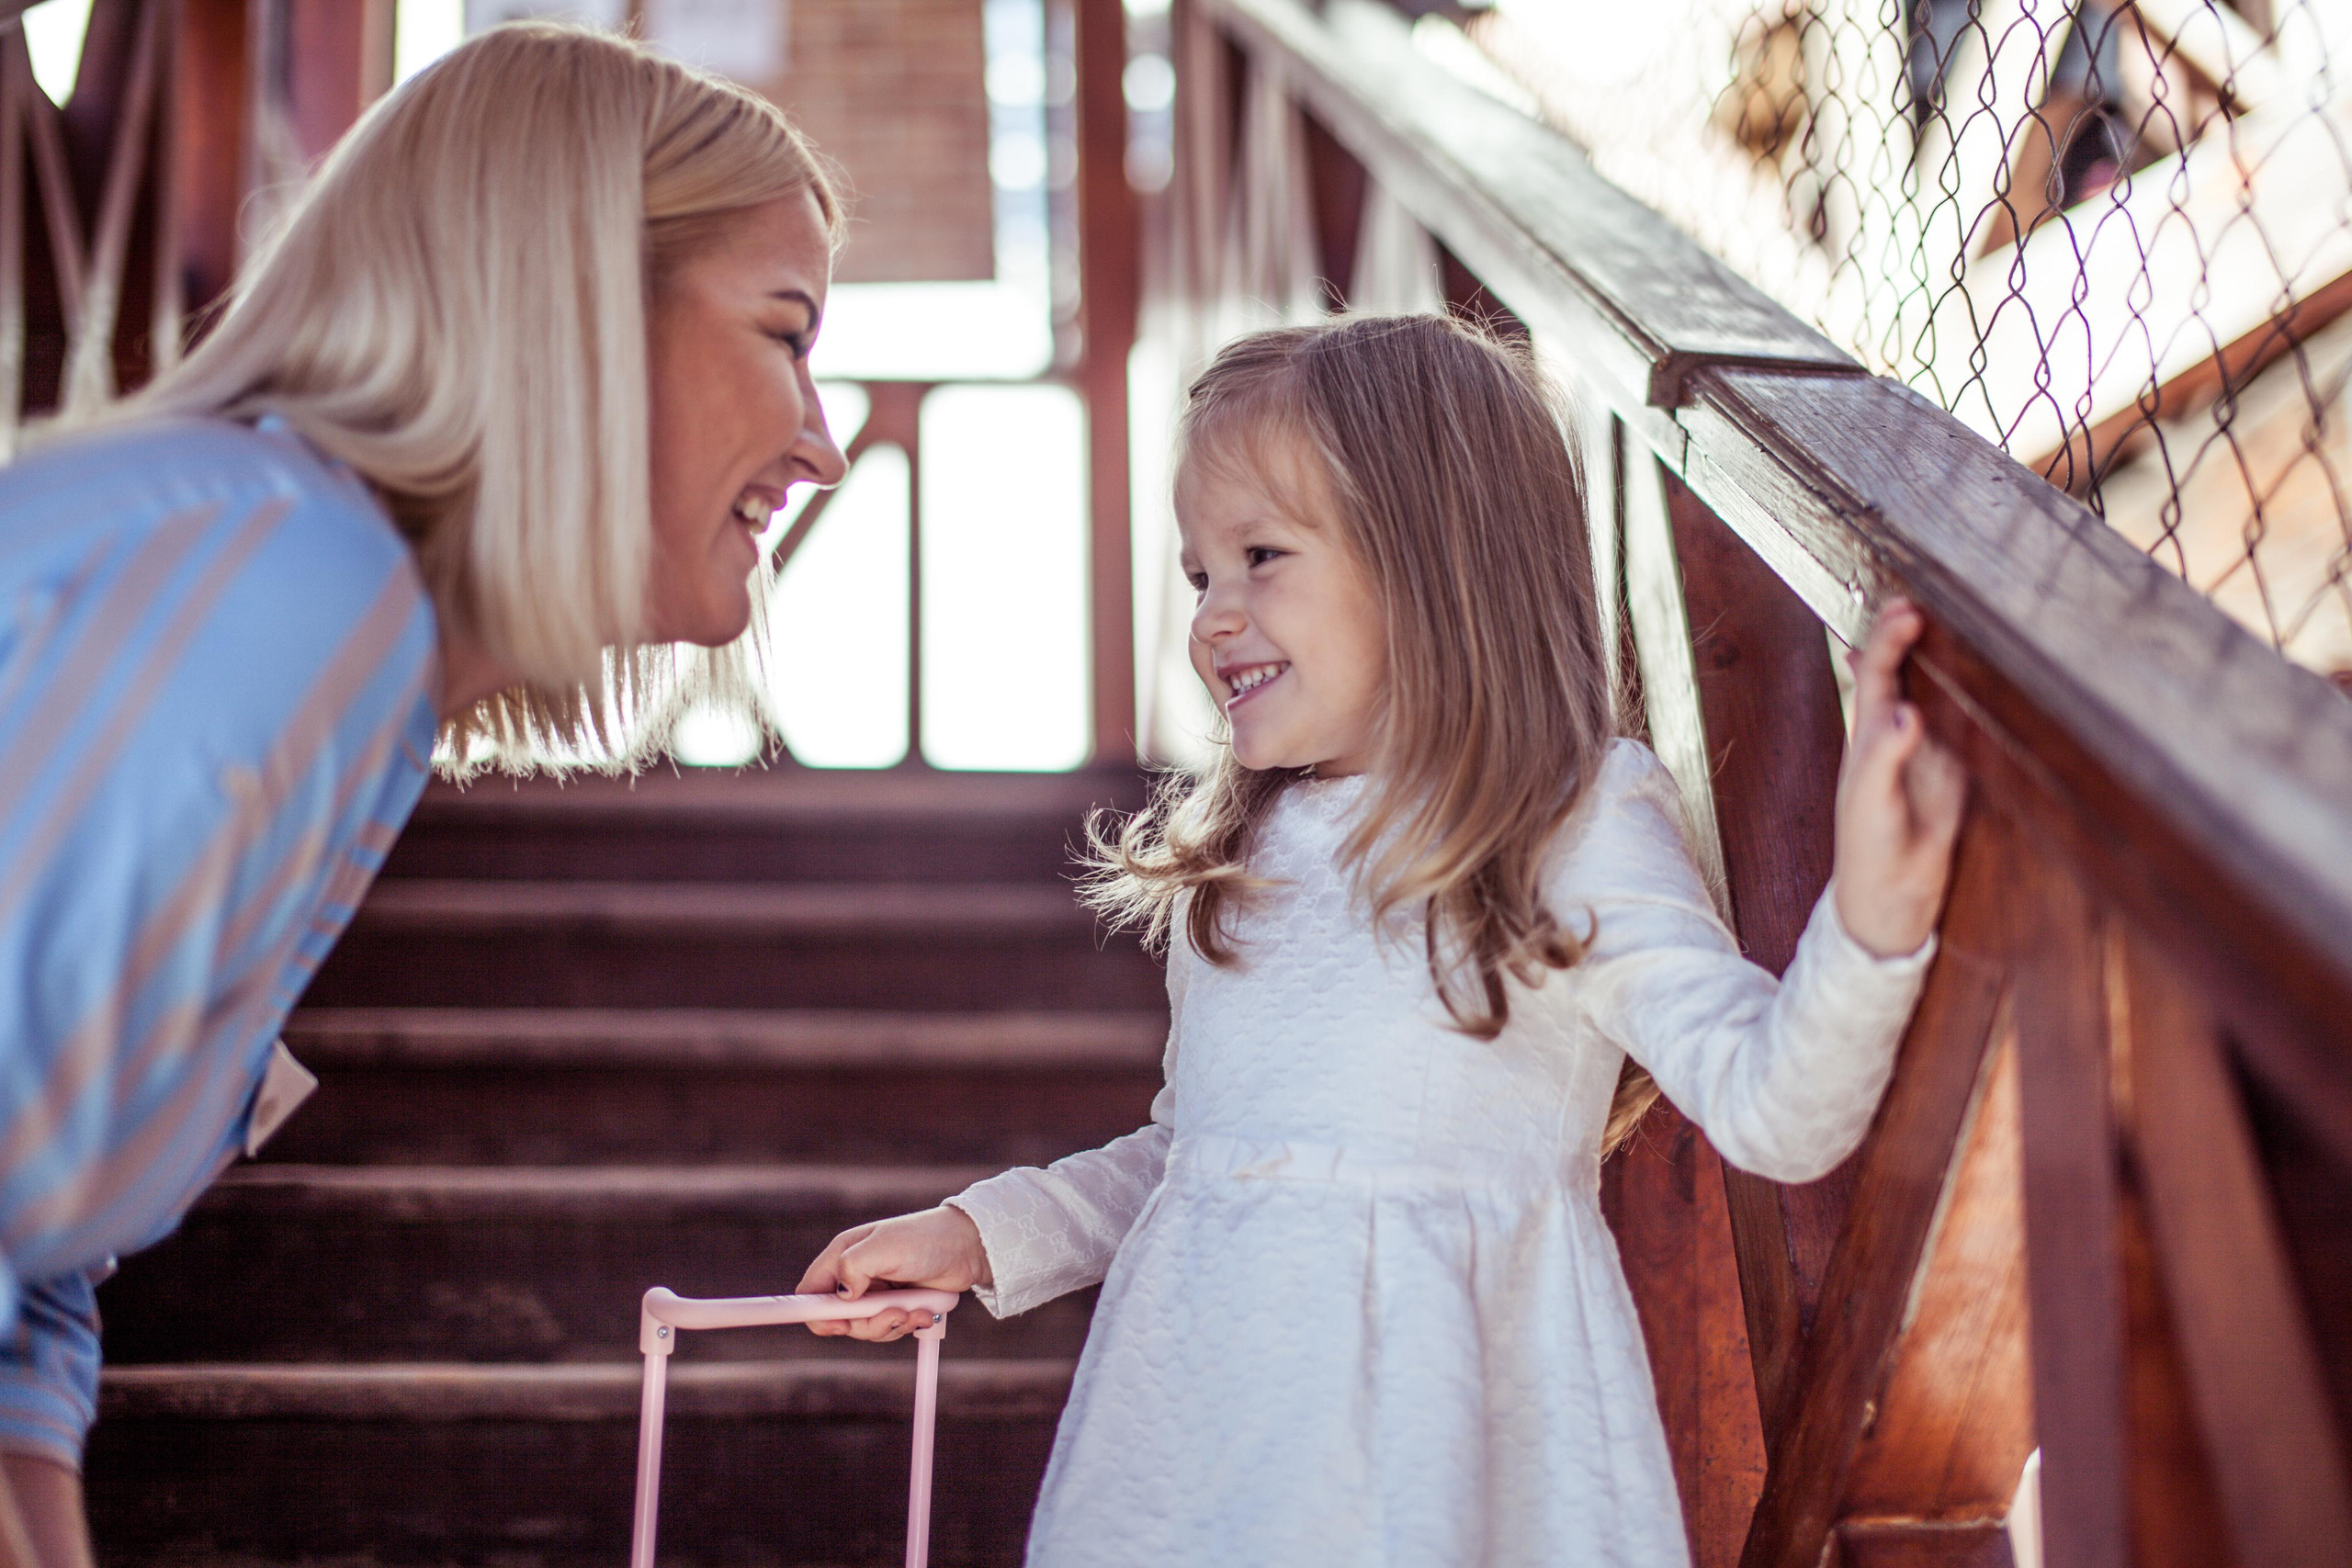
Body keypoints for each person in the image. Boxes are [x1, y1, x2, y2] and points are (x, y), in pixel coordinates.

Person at [797, 314, 1967, 1565]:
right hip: (1204, 1462)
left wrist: (1875, 922)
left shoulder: (1568, 818)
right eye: (1201, 575)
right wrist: (987, 1237)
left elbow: (1774, 1108)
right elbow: (1200, 1162)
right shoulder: (1246, 861)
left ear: (1433, 564)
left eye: (1260, 557)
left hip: (1449, 1469)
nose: (1212, 617)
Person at [0, 24, 847, 1566]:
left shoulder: (354, 665)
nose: (825, 441)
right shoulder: (286, 589)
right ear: (574, 312)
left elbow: (37, 1268)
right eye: (786, 336)